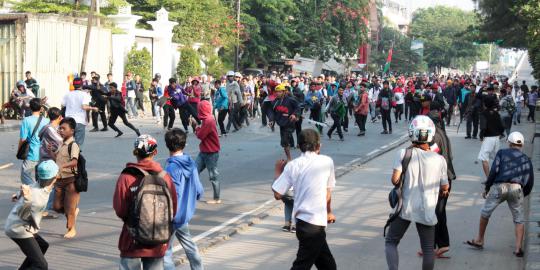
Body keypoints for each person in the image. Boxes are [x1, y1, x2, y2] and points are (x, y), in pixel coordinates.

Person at [385, 115, 449, 270]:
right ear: (431, 135)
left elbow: (395, 180)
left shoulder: (403, 153)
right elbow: (445, 187)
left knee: (391, 241)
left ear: (412, 133)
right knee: (428, 249)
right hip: (427, 210)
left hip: (405, 208)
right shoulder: (440, 160)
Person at [272, 129, 337, 270]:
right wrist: (329, 212)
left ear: (300, 146)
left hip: (304, 223)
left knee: (328, 265)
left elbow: (277, 194)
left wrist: (278, 170)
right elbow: (328, 192)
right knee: (302, 265)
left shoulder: (293, 165)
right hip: (314, 224)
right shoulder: (327, 162)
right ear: (319, 146)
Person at [113, 135, 178, 270]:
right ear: (155, 152)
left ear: (135, 151)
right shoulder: (164, 177)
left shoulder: (126, 176)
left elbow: (120, 209)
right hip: (158, 239)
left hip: (132, 239)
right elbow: (173, 209)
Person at [466, 132, 534, 257]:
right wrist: (523, 193)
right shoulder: (526, 159)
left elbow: (494, 171)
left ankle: (480, 239)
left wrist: (487, 187)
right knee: (518, 219)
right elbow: (530, 180)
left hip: (500, 187)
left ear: (509, 142)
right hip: (517, 188)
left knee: (485, 213)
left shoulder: (502, 153)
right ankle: (518, 248)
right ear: (522, 144)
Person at [4, 160, 58, 270]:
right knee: (41, 265)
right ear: (55, 177)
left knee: (43, 246)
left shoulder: (39, 184)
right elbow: (23, 214)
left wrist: (19, 194)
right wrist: (26, 200)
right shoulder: (38, 198)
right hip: (18, 229)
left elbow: (30, 187)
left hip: (21, 225)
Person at [163, 129, 204, 270]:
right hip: (185, 214)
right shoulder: (191, 163)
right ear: (184, 144)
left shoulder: (171, 168)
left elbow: (173, 195)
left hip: (173, 216)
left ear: (167, 145)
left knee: (165, 253)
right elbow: (199, 190)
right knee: (189, 245)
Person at [427, 111, 456, 258]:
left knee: (435, 212)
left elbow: (433, 158)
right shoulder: (443, 134)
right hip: (446, 177)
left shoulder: (434, 137)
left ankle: (439, 245)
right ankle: (433, 246)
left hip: (439, 179)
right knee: (438, 211)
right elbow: (449, 156)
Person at [53, 117, 82, 238]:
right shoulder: (62, 144)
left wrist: (63, 166)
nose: (61, 130)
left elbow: (74, 162)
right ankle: (73, 212)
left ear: (72, 131)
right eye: (60, 128)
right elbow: (57, 159)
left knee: (69, 206)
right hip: (59, 179)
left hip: (70, 180)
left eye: (64, 128)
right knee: (56, 206)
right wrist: (51, 152)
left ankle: (71, 229)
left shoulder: (73, 145)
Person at [191, 100, 221, 204]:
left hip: (211, 152)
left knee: (213, 175)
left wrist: (195, 127)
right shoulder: (207, 119)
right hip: (204, 151)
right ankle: (194, 193)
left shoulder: (208, 120)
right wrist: (197, 127)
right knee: (194, 171)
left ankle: (216, 198)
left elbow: (200, 135)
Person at [38, 107, 63, 219]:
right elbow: (60, 141)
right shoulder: (50, 129)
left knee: (46, 184)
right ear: (59, 117)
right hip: (49, 159)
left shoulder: (48, 127)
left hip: (45, 158)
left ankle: (45, 208)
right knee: (51, 184)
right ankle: (46, 208)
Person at [18, 98, 49, 185]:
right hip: (44, 152)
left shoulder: (26, 120)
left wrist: (19, 150)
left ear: (30, 108)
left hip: (31, 153)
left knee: (25, 174)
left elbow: (23, 139)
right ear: (41, 108)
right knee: (41, 176)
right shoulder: (47, 121)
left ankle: (34, 189)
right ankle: (40, 192)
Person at [61, 77, 99, 147]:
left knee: (67, 143)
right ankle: (75, 156)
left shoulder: (68, 94)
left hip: (68, 120)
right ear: (82, 85)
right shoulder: (85, 95)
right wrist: (93, 108)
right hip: (79, 121)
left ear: (73, 85)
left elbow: (63, 105)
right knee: (77, 145)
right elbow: (84, 107)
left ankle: (67, 156)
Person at [271, 84, 299, 161]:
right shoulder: (275, 102)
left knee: (285, 140)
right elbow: (272, 113)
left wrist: (294, 114)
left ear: (284, 92)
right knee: (284, 143)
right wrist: (272, 121)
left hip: (289, 123)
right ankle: (289, 154)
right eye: (276, 92)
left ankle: (289, 158)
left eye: (279, 92)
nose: (277, 93)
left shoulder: (290, 100)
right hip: (281, 124)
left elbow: (297, 107)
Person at [478, 98, 505, 177]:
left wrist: (481, 136)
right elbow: (502, 126)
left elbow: (483, 127)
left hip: (488, 138)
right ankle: (497, 176)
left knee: (484, 158)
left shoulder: (483, 113)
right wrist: (501, 133)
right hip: (497, 138)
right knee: (496, 158)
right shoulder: (496, 113)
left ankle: (488, 178)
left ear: (485, 104)